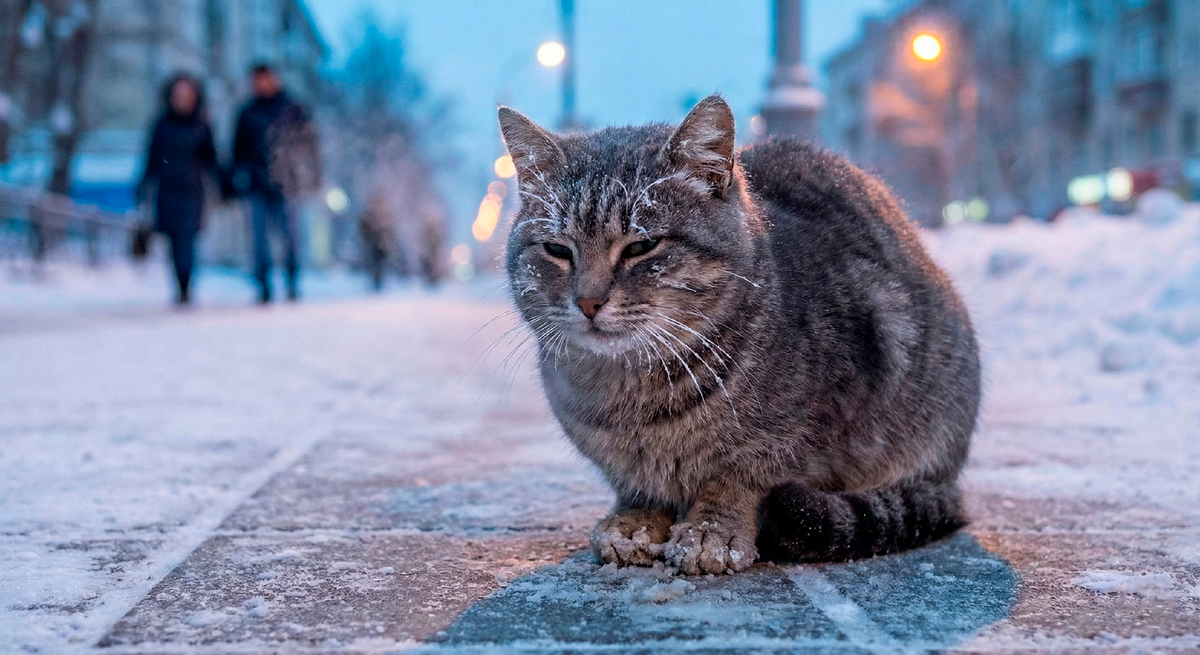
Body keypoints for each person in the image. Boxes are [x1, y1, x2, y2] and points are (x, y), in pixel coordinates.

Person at [230, 64, 321, 303]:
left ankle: (292, 279)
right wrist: (235, 180)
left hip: (288, 184)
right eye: (257, 80)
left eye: (266, 79)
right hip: (257, 185)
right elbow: (238, 151)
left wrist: (313, 176)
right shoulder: (247, 112)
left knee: (291, 237)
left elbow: (310, 146)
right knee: (259, 240)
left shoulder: (294, 109)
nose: (262, 84)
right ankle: (263, 284)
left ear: (276, 79)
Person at [137, 74, 219, 305]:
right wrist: (143, 185)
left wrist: (223, 184)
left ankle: (186, 284)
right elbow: (151, 158)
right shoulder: (162, 125)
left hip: (192, 191)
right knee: (173, 239)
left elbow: (212, 159)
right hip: (167, 190)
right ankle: (180, 283)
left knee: (187, 238)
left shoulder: (201, 126)